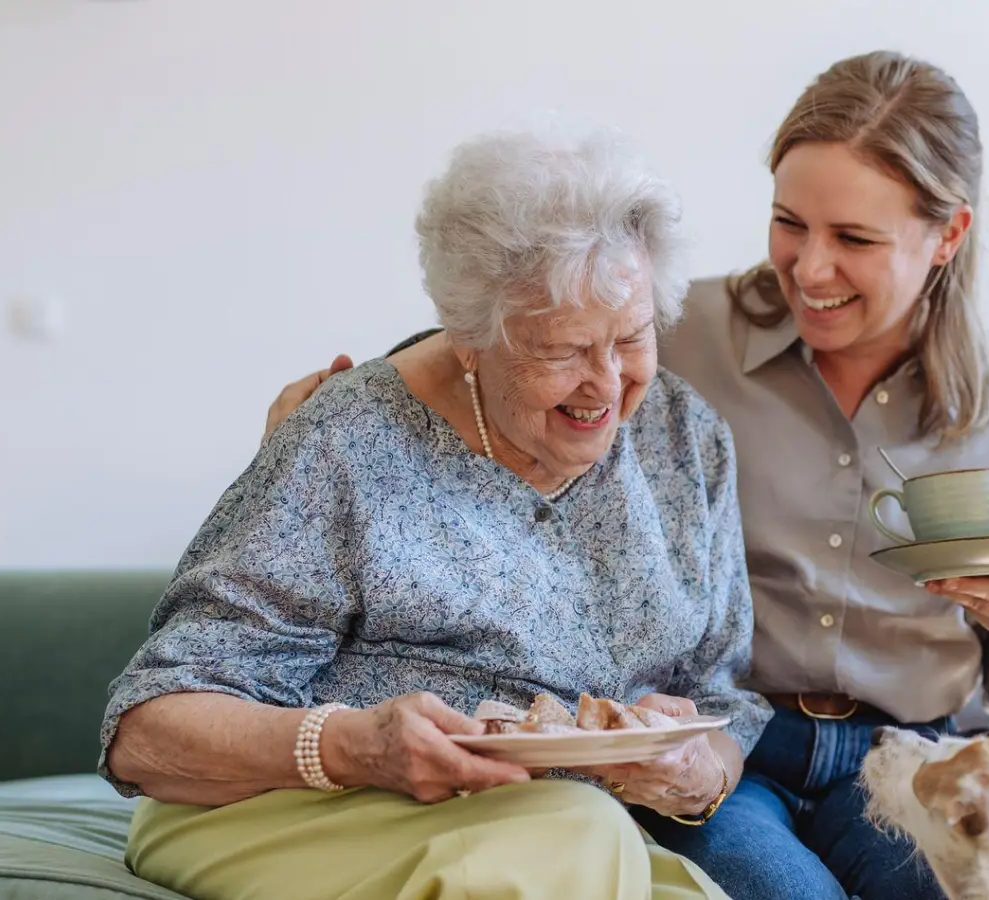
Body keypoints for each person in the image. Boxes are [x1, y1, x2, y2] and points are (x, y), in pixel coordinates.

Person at [266, 50, 989, 900]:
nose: (812, 267)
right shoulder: (667, 331)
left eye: (856, 238)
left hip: (910, 756)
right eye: (789, 222)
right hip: (726, 746)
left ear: (948, 234)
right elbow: (494, 349)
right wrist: (331, 419)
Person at [99, 126, 772, 900]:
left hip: (545, 829)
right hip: (301, 807)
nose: (607, 384)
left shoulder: (686, 443)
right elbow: (145, 736)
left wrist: (694, 771)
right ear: (470, 340)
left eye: (631, 337)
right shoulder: (348, 440)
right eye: (563, 350)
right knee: (575, 837)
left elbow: (721, 703)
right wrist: (356, 747)